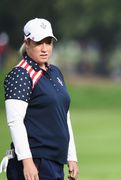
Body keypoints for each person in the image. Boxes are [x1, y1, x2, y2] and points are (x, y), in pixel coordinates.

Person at [3, 18, 79, 180]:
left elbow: (64, 115)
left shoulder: (55, 72)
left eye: (48, 42)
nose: (44, 48)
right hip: (35, 162)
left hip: (54, 161)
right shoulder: (20, 74)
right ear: (27, 42)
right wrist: (27, 162)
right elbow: (15, 121)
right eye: (39, 43)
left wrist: (71, 156)